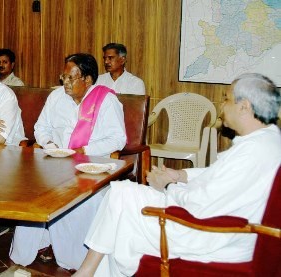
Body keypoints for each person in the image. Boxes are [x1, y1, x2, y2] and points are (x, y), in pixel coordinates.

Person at [74, 73, 281, 277]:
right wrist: (180, 175)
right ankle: (88, 272)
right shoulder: (265, 141)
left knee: (120, 196)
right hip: (221, 227)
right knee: (120, 196)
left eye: (226, 98)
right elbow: (215, 175)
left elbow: (203, 202)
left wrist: (168, 186)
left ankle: (86, 272)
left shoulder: (255, 151)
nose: (222, 105)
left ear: (244, 106)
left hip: (209, 235)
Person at [10, 53, 127, 271]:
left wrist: (84, 150)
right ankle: (41, 244)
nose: (65, 83)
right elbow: (40, 128)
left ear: (88, 80)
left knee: (85, 201)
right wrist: (52, 147)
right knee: (33, 192)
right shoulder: (56, 97)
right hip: (55, 164)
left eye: (71, 78)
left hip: (90, 168)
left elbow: (118, 139)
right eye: (63, 77)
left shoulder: (106, 101)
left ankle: (74, 256)